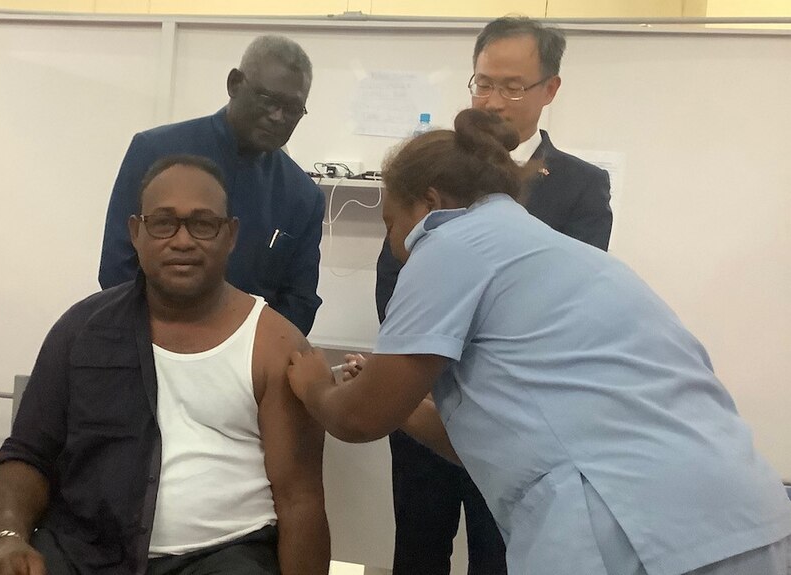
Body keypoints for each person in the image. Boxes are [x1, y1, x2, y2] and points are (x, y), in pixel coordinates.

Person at [288, 108, 791, 575]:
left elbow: (358, 419)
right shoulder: (564, 256)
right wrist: (399, 403)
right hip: (749, 518)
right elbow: (508, 442)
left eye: (390, 223)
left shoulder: (448, 243)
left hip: (634, 532)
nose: (394, 242)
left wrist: (315, 387)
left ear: (431, 203)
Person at [0, 155, 330, 575]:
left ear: (230, 235)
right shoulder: (81, 331)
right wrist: (6, 538)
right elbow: (27, 456)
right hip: (82, 551)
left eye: (203, 224)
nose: (182, 241)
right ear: (136, 232)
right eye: (163, 223)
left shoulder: (275, 345)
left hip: (225, 558)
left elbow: (299, 500)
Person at [375, 16, 611, 574]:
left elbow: (564, 310)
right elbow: (393, 282)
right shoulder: (429, 164)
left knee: (500, 557)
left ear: (549, 90)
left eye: (512, 86)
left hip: (513, 421)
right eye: (483, 83)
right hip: (423, 397)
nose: (493, 101)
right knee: (415, 550)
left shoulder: (580, 184)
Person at [99, 35, 324, 336]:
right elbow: (117, 266)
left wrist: (252, 354)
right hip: (147, 346)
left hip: (246, 366)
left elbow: (300, 300)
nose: (278, 117)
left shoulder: (303, 196)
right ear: (234, 84)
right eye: (269, 100)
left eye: (293, 109)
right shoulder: (155, 151)